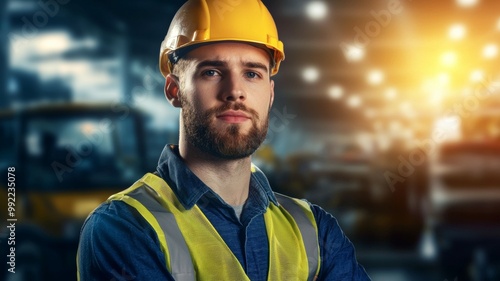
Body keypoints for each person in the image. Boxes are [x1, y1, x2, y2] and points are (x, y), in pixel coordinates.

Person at [77, 0, 371, 280]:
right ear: (173, 90)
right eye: (212, 72)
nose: (235, 91)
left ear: (270, 94)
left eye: (252, 74)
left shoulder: (315, 230)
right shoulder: (124, 227)